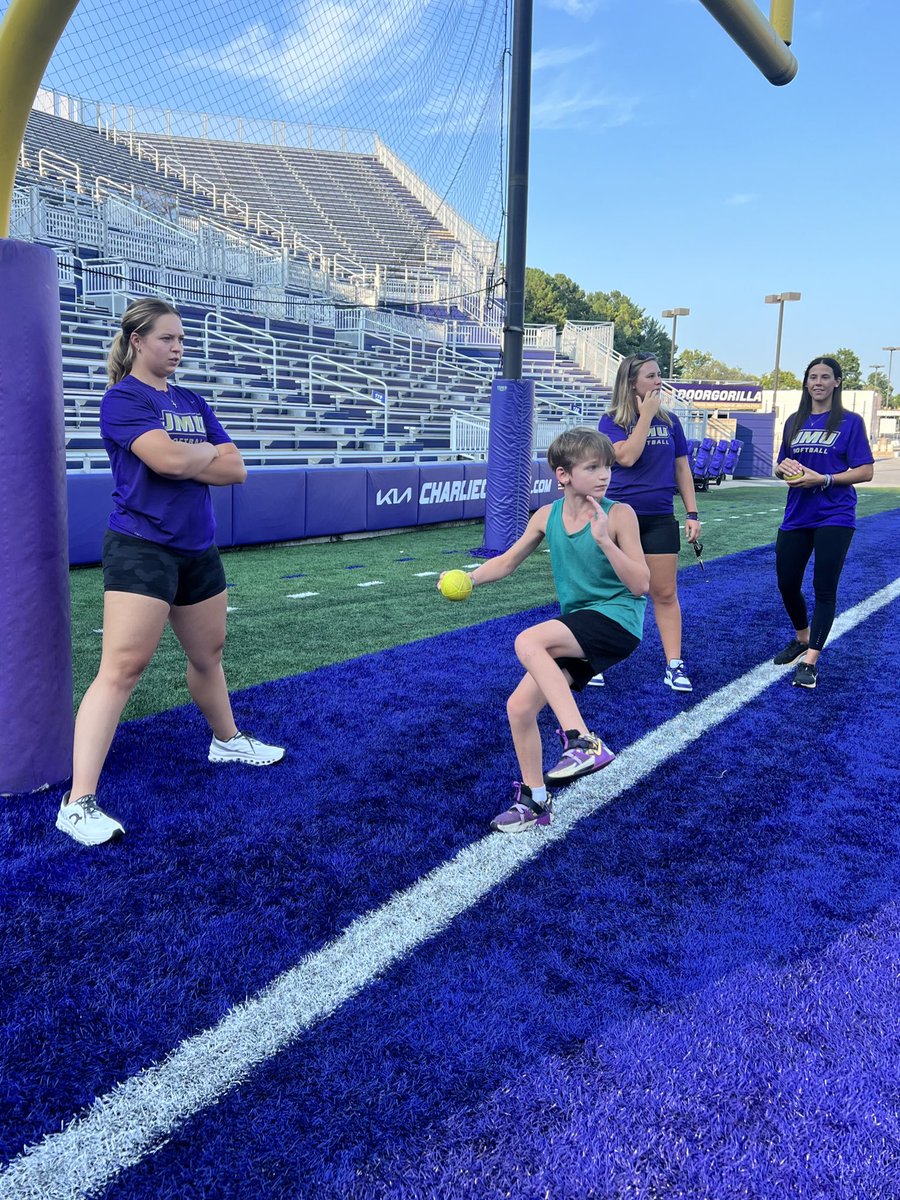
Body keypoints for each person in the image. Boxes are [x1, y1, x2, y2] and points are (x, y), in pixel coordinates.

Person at [57, 298, 285, 846]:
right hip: (142, 546)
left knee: (208, 654)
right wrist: (199, 453)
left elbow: (237, 469)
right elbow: (166, 462)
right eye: (167, 339)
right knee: (123, 668)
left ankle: (226, 739)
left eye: (182, 340)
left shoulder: (190, 399)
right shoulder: (122, 399)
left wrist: (192, 455)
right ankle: (78, 801)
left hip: (196, 547)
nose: (177, 348)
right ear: (137, 341)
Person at [439, 428, 648, 833]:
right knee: (519, 708)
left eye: (607, 465)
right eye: (593, 467)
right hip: (579, 624)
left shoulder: (620, 515)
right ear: (563, 475)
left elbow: (641, 585)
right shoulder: (546, 516)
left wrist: (605, 541)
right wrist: (468, 577)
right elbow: (506, 561)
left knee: (529, 639)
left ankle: (583, 741)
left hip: (617, 620)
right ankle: (535, 801)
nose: (605, 474)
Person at [597, 352, 700, 692]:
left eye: (659, 375)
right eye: (651, 376)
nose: (659, 381)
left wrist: (692, 513)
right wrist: (645, 417)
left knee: (665, 593)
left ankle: (674, 663)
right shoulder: (610, 421)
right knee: (608, 592)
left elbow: (681, 468)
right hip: (619, 518)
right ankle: (591, 657)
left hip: (658, 517)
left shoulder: (671, 422)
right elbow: (625, 457)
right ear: (631, 382)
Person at [772, 356, 874, 688]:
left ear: (837, 383)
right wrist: (784, 471)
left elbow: (866, 471)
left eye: (825, 377)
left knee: (823, 587)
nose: (817, 382)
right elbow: (779, 464)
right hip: (797, 514)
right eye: (812, 376)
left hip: (835, 514)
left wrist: (825, 479)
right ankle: (802, 637)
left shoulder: (850, 422)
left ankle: (811, 659)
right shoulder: (793, 421)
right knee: (787, 582)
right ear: (806, 383)